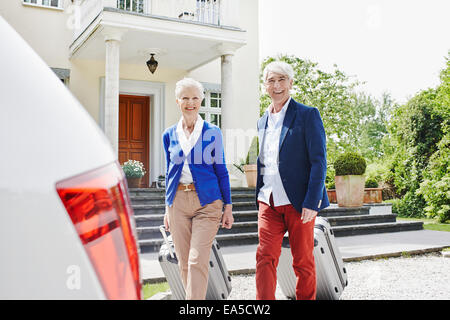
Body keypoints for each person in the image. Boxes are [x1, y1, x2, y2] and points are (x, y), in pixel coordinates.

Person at [255, 61, 329, 300]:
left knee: (303, 261)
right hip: (269, 200)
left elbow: (319, 161)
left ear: (291, 82)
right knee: (264, 258)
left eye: (281, 79)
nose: (277, 85)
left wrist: (312, 201)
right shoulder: (262, 120)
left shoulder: (308, 115)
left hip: (300, 202)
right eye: (271, 80)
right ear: (265, 85)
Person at [162, 77, 234, 300]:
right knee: (184, 262)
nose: (190, 102)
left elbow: (221, 170)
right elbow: (169, 172)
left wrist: (228, 207)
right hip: (178, 203)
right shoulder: (169, 135)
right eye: (185, 98)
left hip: (208, 202)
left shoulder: (212, 132)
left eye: (195, 98)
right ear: (177, 101)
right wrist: (167, 207)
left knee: (196, 260)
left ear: (201, 101)